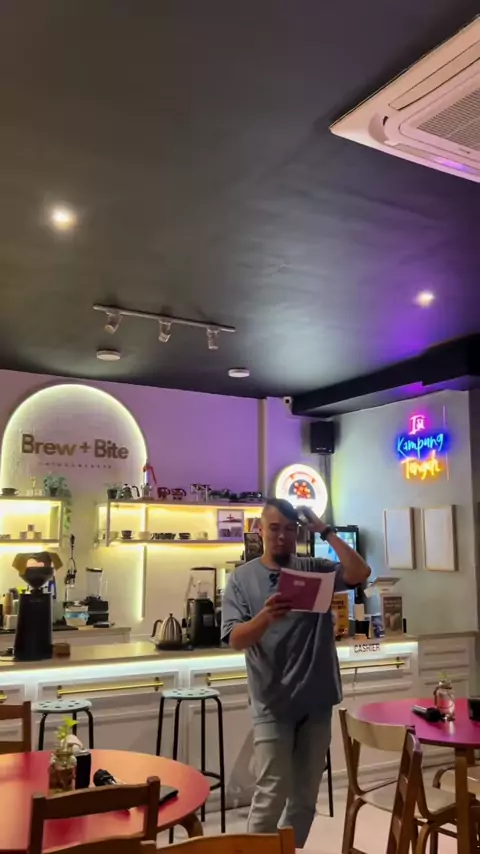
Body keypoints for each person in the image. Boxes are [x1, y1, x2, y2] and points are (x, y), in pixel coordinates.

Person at [221, 497, 370, 848]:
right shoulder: (242, 578)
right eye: (274, 528)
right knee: (271, 792)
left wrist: (325, 531)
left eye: (290, 529)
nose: (282, 536)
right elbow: (234, 639)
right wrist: (264, 618)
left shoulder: (315, 569)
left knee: (304, 798)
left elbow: (360, 573)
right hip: (272, 701)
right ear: (260, 529)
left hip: (317, 698)